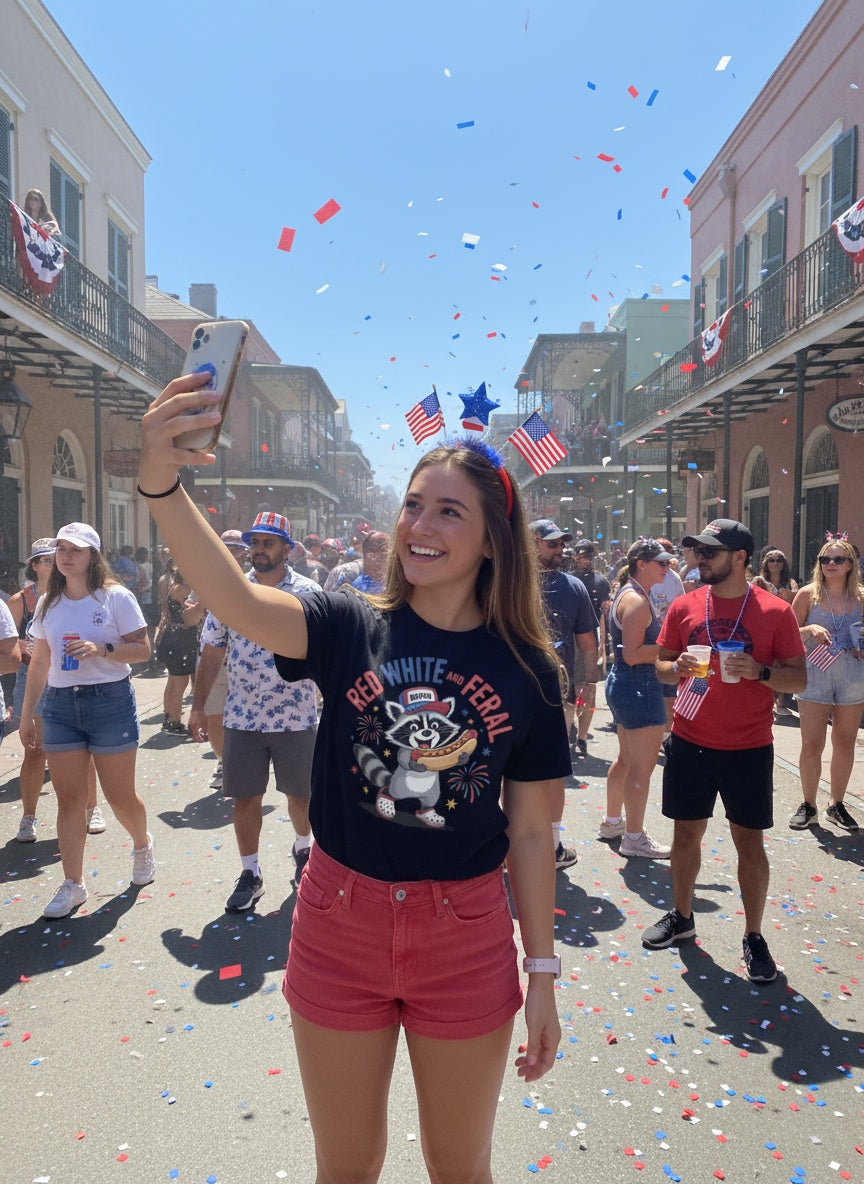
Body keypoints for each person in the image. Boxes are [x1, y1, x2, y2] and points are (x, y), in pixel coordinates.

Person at [138, 372, 570, 1184]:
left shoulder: (529, 670)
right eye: (413, 504)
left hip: (465, 934)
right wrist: (161, 481)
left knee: (460, 1169)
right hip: (340, 920)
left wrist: (542, 973)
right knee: (345, 1168)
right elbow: (234, 599)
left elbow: (532, 830)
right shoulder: (347, 623)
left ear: (492, 539)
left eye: (449, 511)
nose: (420, 525)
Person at [647, 519, 806, 983]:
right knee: (684, 836)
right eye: (698, 551)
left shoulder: (776, 611)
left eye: (710, 552)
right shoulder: (684, 604)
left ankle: (754, 935)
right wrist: (674, 667)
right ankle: (682, 916)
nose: (700, 559)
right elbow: (660, 666)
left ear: (740, 557)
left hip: (748, 747)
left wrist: (760, 671)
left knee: (749, 843)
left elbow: (799, 678)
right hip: (689, 740)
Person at [19, 523, 154, 919]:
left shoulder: (116, 597)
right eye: (61, 549)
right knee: (70, 801)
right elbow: (40, 662)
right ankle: (73, 884)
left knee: (119, 797)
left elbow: (143, 650)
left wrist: (102, 648)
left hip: (109, 700)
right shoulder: (48, 603)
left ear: (93, 556)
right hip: (61, 705)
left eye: (75, 549)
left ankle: (142, 845)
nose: (66, 556)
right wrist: (28, 714)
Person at [187, 513, 321, 908]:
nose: (258, 550)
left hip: (296, 716)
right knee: (245, 798)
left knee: (301, 796)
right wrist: (198, 707)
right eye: (255, 543)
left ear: (287, 549)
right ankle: (250, 872)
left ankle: (304, 848)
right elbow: (212, 652)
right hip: (243, 716)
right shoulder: (232, 592)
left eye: (268, 543)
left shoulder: (309, 593)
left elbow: (326, 652)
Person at [600, 538, 674, 859]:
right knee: (640, 769)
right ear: (641, 564)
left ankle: (612, 823)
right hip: (638, 685)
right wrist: (671, 648)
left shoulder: (630, 593)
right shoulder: (636, 600)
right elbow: (632, 654)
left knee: (627, 760)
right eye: (661, 562)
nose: (667, 567)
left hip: (626, 684)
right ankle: (633, 837)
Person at [530, 518, 597, 868]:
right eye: (552, 543)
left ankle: (553, 845)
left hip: (557, 692)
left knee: (553, 768)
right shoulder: (508, 581)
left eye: (562, 544)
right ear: (532, 543)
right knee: (512, 770)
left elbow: (587, 642)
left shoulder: (574, 586)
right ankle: (511, 843)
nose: (561, 550)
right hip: (511, 692)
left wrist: (588, 684)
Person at [788, 536, 864, 832]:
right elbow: (788, 634)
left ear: (850, 565)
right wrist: (809, 628)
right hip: (815, 674)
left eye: (838, 559)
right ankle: (808, 804)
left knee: (844, 743)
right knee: (812, 743)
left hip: (852, 676)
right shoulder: (808, 594)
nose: (831, 564)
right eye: (825, 559)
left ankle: (836, 804)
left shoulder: (860, 596)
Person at [183, 529, 249, 790]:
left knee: (247, 718)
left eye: (237, 548)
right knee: (213, 716)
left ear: (245, 552)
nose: (231, 552)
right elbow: (188, 620)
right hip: (213, 660)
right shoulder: (204, 581)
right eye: (226, 547)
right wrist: (202, 603)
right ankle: (224, 762)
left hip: (248, 661)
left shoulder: (256, 579)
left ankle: (247, 763)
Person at [570, 540, 611, 753]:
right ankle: (571, 727)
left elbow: (604, 614)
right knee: (569, 686)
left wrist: (604, 644)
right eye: (580, 555)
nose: (583, 559)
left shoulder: (600, 581)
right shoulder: (568, 578)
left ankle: (583, 737)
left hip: (590, 639)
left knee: (589, 686)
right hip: (569, 639)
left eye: (587, 556)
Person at [751, 548, 799, 717]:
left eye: (779, 560)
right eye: (771, 560)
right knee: (767, 661)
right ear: (766, 563)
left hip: (784, 624)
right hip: (764, 625)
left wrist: (789, 595)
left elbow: (796, 598)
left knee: (785, 662)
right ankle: (767, 701)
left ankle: (782, 702)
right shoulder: (759, 581)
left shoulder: (790, 582)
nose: (775, 563)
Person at [649, 537, 687, 732]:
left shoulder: (674, 579)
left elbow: (682, 608)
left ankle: (666, 737)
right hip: (647, 645)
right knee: (651, 700)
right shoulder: (644, 577)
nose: (664, 564)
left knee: (669, 700)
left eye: (666, 559)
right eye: (659, 559)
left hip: (668, 644)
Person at [157, 563, 199, 734]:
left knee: (173, 682)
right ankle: (173, 723)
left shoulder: (174, 586)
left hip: (172, 639)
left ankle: (169, 720)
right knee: (179, 683)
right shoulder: (185, 589)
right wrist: (201, 607)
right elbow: (187, 620)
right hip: (180, 641)